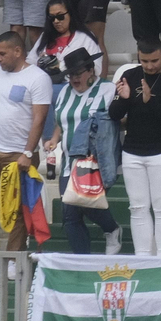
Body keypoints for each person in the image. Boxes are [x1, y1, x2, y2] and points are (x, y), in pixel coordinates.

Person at [0, 31, 51, 249]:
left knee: (17, 207)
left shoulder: (38, 78)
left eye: (3, 54)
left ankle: (14, 256)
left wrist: (28, 152)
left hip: (19, 152)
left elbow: (39, 118)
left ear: (18, 51)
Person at [109, 41, 161, 256]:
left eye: (154, 61)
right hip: (133, 151)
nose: (149, 66)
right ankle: (142, 256)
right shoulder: (131, 76)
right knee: (138, 208)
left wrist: (149, 101)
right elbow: (114, 114)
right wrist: (123, 100)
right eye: (144, 61)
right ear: (138, 57)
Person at [45, 48, 122, 253]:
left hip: (95, 161)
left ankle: (112, 228)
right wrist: (54, 139)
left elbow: (119, 119)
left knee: (86, 204)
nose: (74, 79)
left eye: (78, 73)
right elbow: (62, 121)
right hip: (70, 161)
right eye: (70, 75)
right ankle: (82, 261)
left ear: (91, 70)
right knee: (69, 214)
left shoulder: (107, 89)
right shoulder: (64, 93)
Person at [30, 0, 104, 84]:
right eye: (52, 18)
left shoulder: (85, 38)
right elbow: (29, 62)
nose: (56, 21)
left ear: (71, 14)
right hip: (42, 85)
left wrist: (59, 66)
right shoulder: (45, 36)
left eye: (60, 16)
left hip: (72, 85)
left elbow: (96, 68)